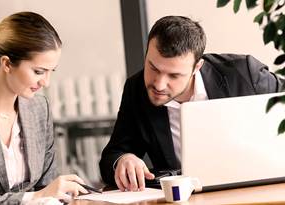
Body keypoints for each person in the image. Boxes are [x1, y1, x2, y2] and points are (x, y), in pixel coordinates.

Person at [99, 15, 284, 192]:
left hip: (258, 189)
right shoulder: (137, 90)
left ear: (197, 67)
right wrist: (123, 159)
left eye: (174, 75)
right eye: (153, 68)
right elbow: (111, 157)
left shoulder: (244, 73)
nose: (159, 84)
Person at [0, 11, 88, 204]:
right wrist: (35, 197)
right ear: (6, 64)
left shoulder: (39, 109)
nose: (46, 82)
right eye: (39, 71)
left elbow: (48, 189)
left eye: (51, 71)